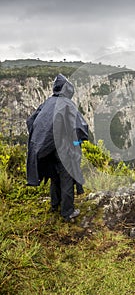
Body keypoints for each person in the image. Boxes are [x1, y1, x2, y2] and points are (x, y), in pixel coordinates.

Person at [26, 74, 88, 221]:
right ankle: (67, 212)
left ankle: (55, 205)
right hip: (64, 148)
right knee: (67, 177)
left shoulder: (47, 103)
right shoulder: (67, 104)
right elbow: (80, 127)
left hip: (47, 148)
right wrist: (76, 143)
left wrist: (41, 140)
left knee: (55, 176)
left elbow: (31, 121)